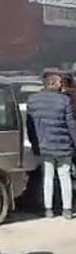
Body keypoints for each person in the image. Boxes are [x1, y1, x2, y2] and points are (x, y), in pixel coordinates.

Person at [26, 71, 76, 219]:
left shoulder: (33, 100)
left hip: (44, 146)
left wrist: (35, 144)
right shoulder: (64, 101)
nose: (61, 86)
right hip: (63, 146)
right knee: (64, 176)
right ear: (53, 84)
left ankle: (48, 210)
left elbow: (30, 125)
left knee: (47, 177)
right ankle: (66, 209)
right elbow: (71, 125)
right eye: (60, 83)